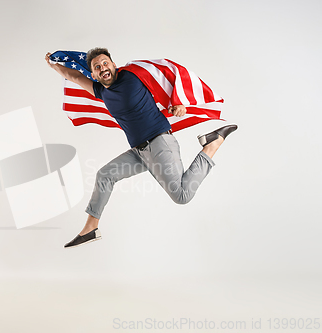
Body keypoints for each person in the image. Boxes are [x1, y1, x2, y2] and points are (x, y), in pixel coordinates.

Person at [45, 48, 237, 248]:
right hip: (140, 151)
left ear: (113, 64)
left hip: (159, 143)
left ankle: (212, 144)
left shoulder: (132, 75)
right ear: (93, 74)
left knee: (182, 196)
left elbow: (168, 76)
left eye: (105, 63)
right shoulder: (101, 91)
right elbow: (73, 76)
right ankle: (91, 228)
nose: (103, 68)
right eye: (97, 67)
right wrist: (53, 65)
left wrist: (178, 104)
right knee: (105, 175)